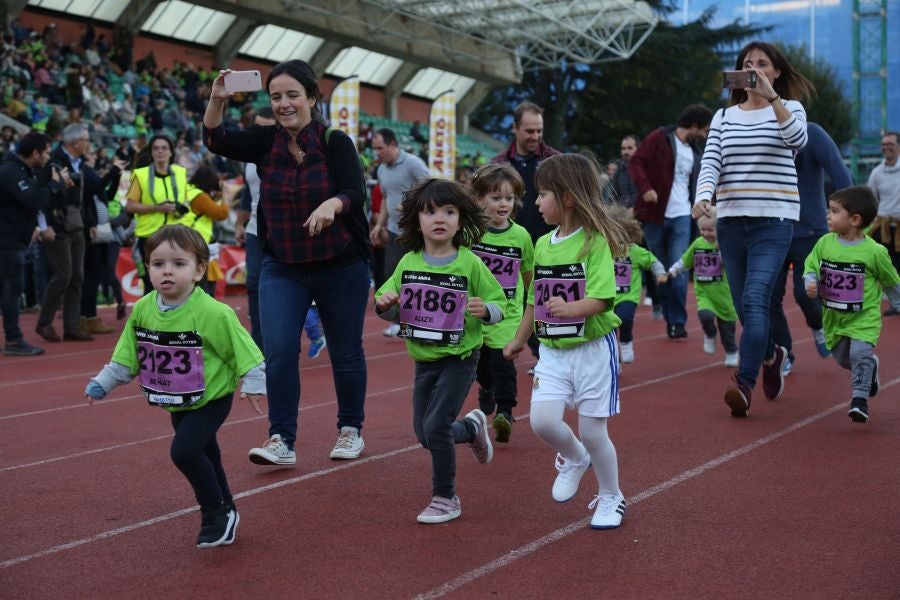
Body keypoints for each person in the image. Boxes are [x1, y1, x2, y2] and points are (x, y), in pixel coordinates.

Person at [203, 60, 371, 464]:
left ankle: (350, 429)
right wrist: (216, 100)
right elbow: (216, 139)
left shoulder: (334, 141)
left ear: (312, 98)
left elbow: (355, 190)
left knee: (345, 352)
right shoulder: (265, 142)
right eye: (276, 97)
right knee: (277, 350)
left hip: (340, 263)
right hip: (283, 264)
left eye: (292, 95)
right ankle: (281, 439)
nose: (283, 104)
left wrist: (333, 204)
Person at [85, 225, 266, 548]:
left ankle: (215, 513)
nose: (167, 271)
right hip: (175, 397)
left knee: (184, 451)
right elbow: (128, 356)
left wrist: (253, 383)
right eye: (158, 264)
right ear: (147, 268)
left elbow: (245, 352)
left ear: (199, 270)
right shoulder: (143, 309)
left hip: (211, 397)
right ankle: (227, 507)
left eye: (178, 264)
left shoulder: (214, 312)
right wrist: (103, 382)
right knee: (207, 452)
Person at [503, 153, 630, 530]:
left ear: (568, 198)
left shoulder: (594, 243)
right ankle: (575, 457)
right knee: (542, 421)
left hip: (593, 349)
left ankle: (611, 496)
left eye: (542, 194)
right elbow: (533, 300)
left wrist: (571, 307)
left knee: (594, 431)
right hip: (554, 351)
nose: (537, 203)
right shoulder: (542, 245)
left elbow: (604, 299)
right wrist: (518, 339)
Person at [693, 40, 814, 418]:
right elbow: (712, 160)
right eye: (748, 64)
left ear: (776, 71)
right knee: (747, 307)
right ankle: (771, 354)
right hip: (731, 221)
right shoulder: (724, 116)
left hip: (774, 219)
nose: (755, 69)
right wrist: (702, 196)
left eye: (762, 64)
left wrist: (773, 99)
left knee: (755, 298)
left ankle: (743, 383)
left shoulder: (790, 109)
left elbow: (798, 141)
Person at [374, 178, 504, 524]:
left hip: (460, 358)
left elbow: (499, 303)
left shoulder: (470, 263)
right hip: (424, 361)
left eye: (449, 211)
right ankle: (473, 429)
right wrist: (386, 303)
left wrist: (486, 310)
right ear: (417, 220)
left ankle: (445, 497)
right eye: (430, 212)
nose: (439, 218)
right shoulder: (408, 263)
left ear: (461, 219)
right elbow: (387, 305)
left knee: (435, 427)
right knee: (425, 434)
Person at [803, 186, 900, 423]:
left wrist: (897, 302)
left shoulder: (875, 252)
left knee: (859, 353)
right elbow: (811, 265)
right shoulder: (825, 243)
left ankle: (859, 400)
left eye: (835, 211)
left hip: (863, 317)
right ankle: (870, 368)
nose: (828, 215)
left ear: (855, 219)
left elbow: (890, 280)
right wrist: (810, 281)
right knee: (843, 359)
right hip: (833, 317)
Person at [770, 122, 853, 373]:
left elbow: (840, 174)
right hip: (770, 229)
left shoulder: (812, 133)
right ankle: (783, 353)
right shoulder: (760, 130)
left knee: (804, 293)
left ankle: (818, 325)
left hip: (809, 230)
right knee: (768, 297)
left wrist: (848, 214)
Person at [629, 104, 713, 340]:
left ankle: (677, 322)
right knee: (660, 270)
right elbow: (636, 162)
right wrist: (646, 189)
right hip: (655, 215)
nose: (706, 135)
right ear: (694, 126)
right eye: (704, 130)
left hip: (682, 216)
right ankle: (666, 311)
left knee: (679, 267)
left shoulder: (696, 152)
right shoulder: (660, 138)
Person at [491, 102, 561, 365]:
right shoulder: (498, 164)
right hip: (511, 243)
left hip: (547, 241)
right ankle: (530, 351)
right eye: (529, 131)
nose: (535, 137)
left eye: (539, 131)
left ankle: (546, 353)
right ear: (515, 128)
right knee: (520, 300)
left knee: (546, 297)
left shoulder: (554, 160)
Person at [469, 163, 534, 442]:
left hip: (507, 313)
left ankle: (505, 412)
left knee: (503, 360)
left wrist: (531, 307)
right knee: (481, 364)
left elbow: (528, 272)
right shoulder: (471, 233)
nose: (504, 204)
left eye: (509, 198)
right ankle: (486, 389)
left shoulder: (520, 236)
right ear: (480, 198)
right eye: (496, 198)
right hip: (476, 312)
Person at [0, 132, 63, 356]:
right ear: (35, 153)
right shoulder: (10, 170)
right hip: (7, 240)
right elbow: (35, 199)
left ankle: (14, 338)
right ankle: (14, 339)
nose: (47, 156)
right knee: (11, 290)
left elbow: (37, 197)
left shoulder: (20, 170)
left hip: (13, 239)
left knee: (10, 289)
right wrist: (54, 184)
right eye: (45, 152)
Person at [35, 124, 98, 343]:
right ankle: (44, 323)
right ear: (76, 142)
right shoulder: (51, 161)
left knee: (77, 277)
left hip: (77, 223)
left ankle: (71, 326)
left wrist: (90, 222)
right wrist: (44, 225)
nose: (89, 143)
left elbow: (88, 196)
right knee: (63, 275)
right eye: (86, 139)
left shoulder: (80, 163)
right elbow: (42, 195)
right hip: (58, 224)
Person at [369, 127, 430, 337]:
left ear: (393, 144)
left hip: (418, 232)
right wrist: (379, 225)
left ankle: (425, 320)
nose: (377, 153)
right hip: (395, 231)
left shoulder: (414, 163)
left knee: (419, 277)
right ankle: (399, 321)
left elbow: (431, 190)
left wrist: (411, 206)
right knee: (391, 275)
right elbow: (386, 198)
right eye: (374, 149)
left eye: (380, 148)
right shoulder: (381, 170)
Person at [668, 208, 740, 367]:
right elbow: (685, 260)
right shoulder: (698, 244)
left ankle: (731, 350)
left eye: (710, 230)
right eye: (703, 230)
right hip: (704, 292)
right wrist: (672, 271)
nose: (706, 233)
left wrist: (722, 253)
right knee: (705, 315)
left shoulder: (724, 244)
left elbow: (733, 263)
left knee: (727, 327)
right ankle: (710, 333)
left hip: (724, 293)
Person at [125, 134, 190, 295]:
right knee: (151, 285)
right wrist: (157, 208)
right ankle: (151, 320)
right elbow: (130, 206)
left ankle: (174, 318)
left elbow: (185, 199)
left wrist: (182, 209)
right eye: (156, 148)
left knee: (177, 284)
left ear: (171, 152)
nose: (160, 151)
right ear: (151, 152)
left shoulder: (181, 173)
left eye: (164, 148)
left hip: (176, 235)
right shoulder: (140, 175)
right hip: (149, 237)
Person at [607, 206, 667, 364]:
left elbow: (652, 260)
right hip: (605, 297)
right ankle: (614, 361)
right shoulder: (601, 249)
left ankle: (626, 341)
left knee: (624, 318)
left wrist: (660, 273)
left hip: (628, 295)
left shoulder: (633, 251)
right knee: (607, 331)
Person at [181, 166, 229, 295]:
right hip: (197, 241)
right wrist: (225, 196)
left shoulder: (189, 190)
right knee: (201, 283)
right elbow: (221, 214)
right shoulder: (200, 197)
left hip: (185, 237)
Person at [867, 130, 900, 315]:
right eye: (884, 144)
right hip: (885, 227)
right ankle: (895, 303)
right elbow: (871, 199)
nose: (886, 147)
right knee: (886, 267)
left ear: (899, 147)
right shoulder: (877, 173)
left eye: (890, 144)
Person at [608, 135, 640, 210]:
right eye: (623, 149)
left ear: (638, 149)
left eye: (630, 148)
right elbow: (613, 195)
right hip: (622, 214)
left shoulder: (645, 169)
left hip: (640, 214)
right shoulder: (619, 170)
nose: (626, 152)